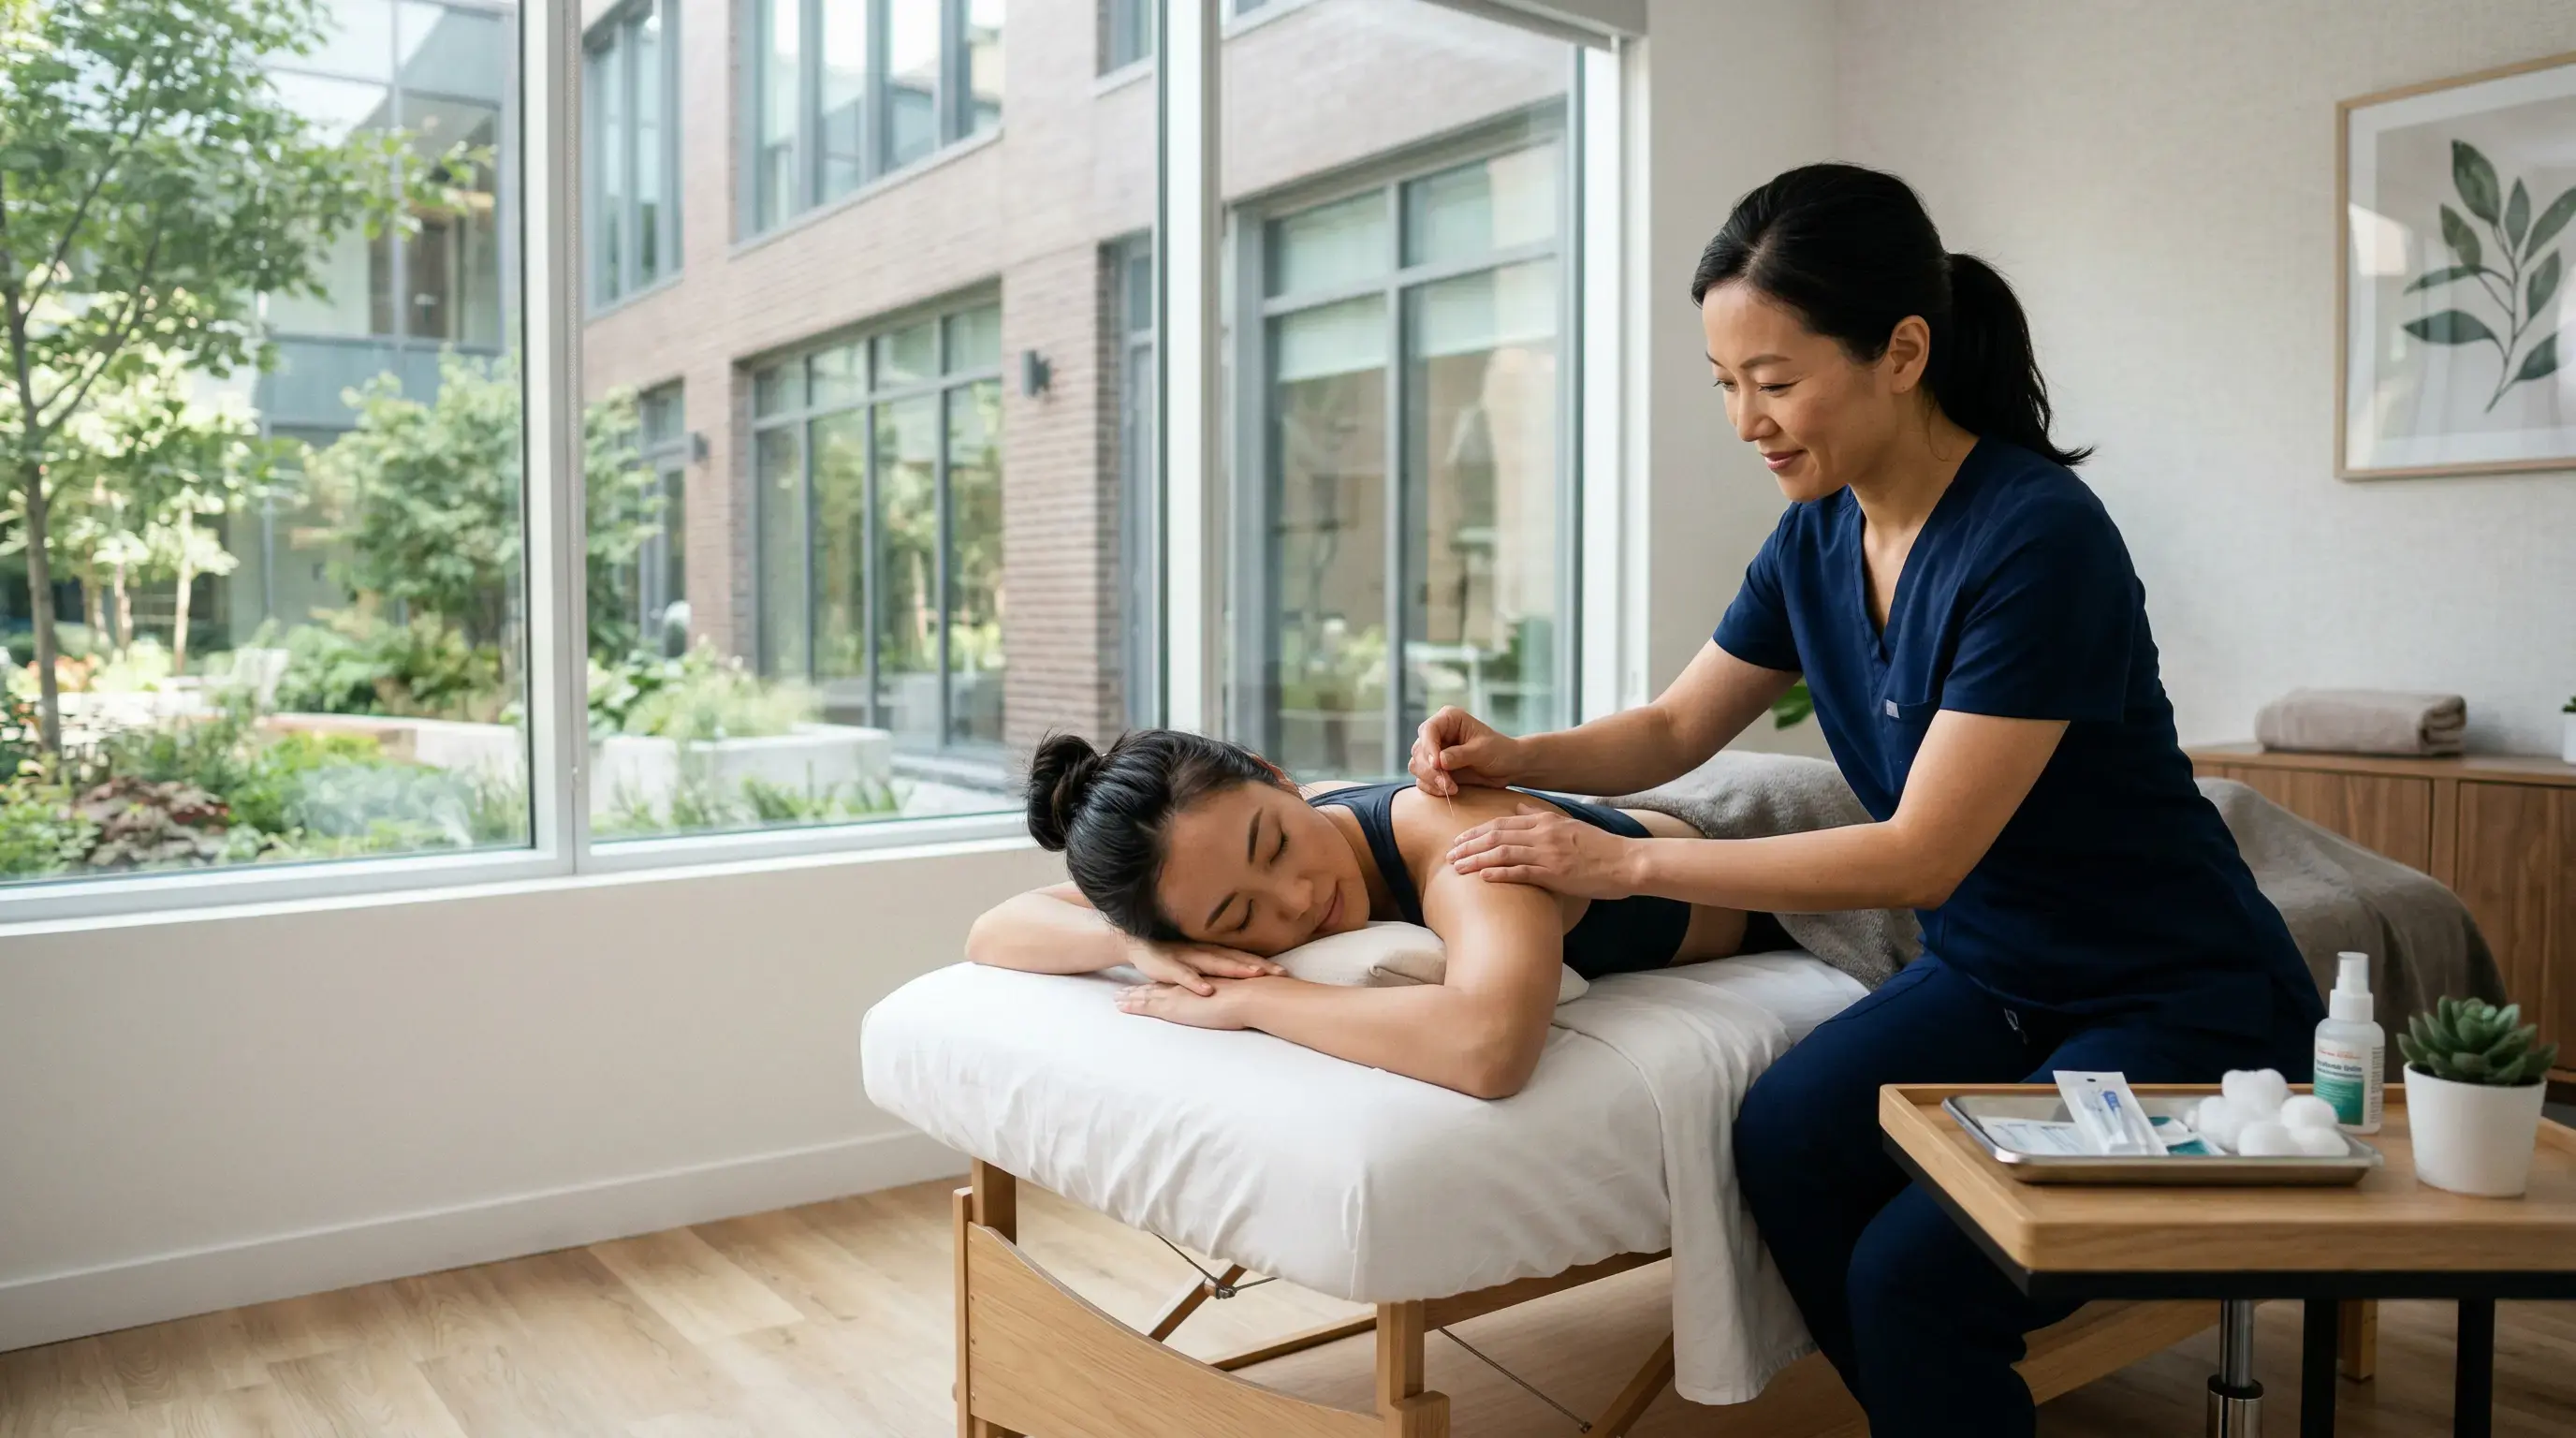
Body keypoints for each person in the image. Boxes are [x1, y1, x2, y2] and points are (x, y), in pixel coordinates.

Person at [1408, 163, 2321, 1437]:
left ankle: (1940, 1369)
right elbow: (1676, 726)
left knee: (1914, 1278)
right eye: (1726, 385)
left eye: (1775, 383)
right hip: (2000, 981)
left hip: (2176, 999)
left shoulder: (2037, 538)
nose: (1747, 422)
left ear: (1903, 351)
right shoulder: (1815, 538)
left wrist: (1623, 867)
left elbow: (1920, 855)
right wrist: (1520, 753)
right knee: (1785, 1137)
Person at [966, 728, 1785, 1098]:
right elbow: (995, 929)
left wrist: (1256, 997)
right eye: (1238, 916)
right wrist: (1135, 942)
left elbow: (1490, 1050)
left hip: (1789, 848)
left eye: (1276, 844)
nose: (1293, 899)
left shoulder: (1465, 838)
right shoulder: (1187, 878)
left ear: (1274, 773)